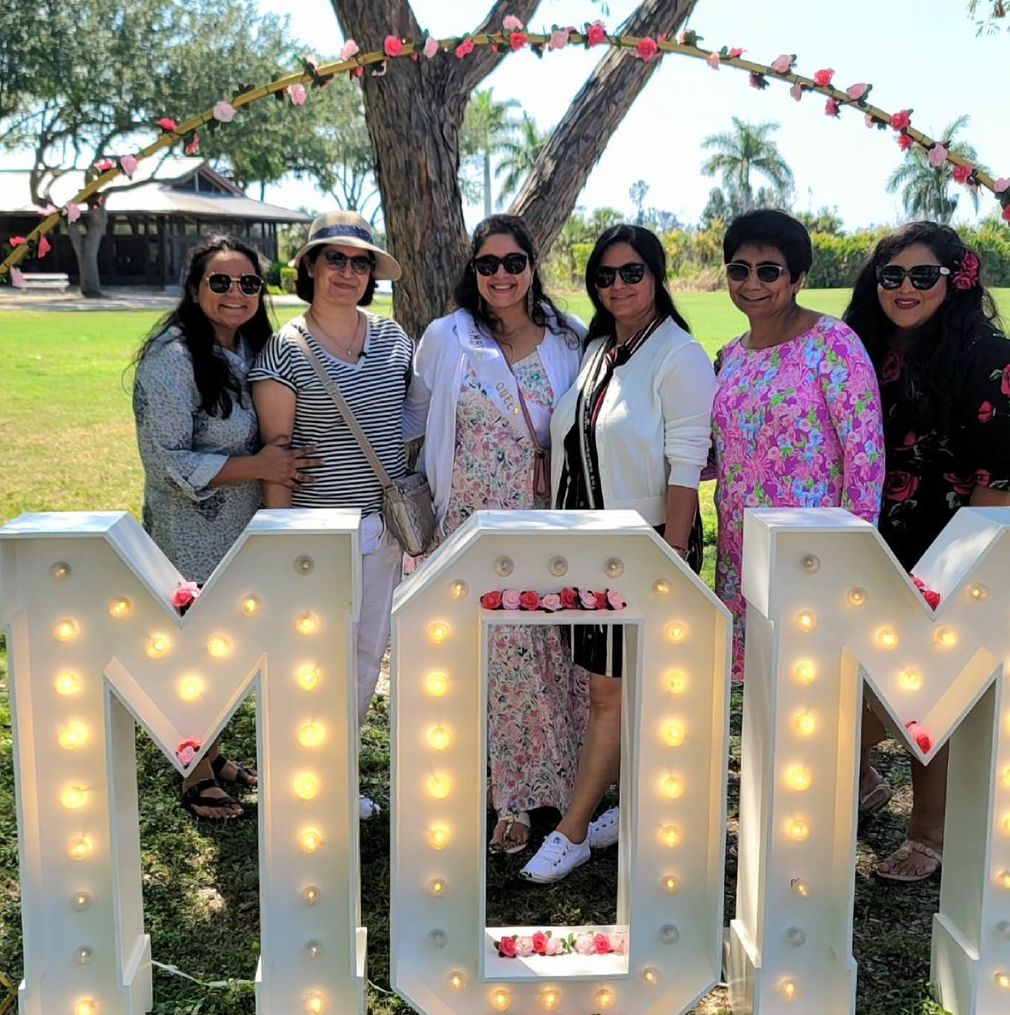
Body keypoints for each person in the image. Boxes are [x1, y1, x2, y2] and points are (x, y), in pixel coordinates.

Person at [520, 225, 715, 884]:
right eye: (604, 276)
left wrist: (670, 565)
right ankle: (636, 807)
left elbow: (686, 467)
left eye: (632, 273)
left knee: (609, 691)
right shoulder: (601, 346)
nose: (618, 286)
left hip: (643, 552)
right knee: (619, 688)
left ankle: (573, 830)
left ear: (656, 276)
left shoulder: (679, 356)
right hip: (587, 548)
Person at [842, 221, 1010, 883]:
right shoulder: (866, 348)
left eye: (923, 276)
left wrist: (949, 578)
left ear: (958, 280)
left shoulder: (990, 356)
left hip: (956, 546)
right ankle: (865, 782)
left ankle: (929, 834)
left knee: (929, 691)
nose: (903, 288)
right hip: (878, 539)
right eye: (890, 275)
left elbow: (999, 482)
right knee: (862, 672)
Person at [410, 215, 587, 855]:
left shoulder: (569, 338)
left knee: (557, 657)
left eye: (514, 262)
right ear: (473, 272)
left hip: (550, 520)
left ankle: (569, 786)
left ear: (532, 266)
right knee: (499, 661)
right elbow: (415, 418)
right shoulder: (447, 336)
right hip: (473, 525)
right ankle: (510, 798)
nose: (502, 275)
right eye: (488, 264)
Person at [133, 235, 317, 820]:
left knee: (232, 645)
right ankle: (194, 771)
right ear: (194, 289)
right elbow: (164, 462)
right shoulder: (172, 358)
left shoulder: (250, 347)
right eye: (220, 282)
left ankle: (213, 752)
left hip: (243, 525)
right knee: (198, 650)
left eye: (248, 283)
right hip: (191, 528)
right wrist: (260, 467)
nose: (235, 294)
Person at [251, 212, 416, 819]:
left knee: (366, 658)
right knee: (312, 663)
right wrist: (282, 551)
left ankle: (335, 779)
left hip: (383, 534)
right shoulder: (285, 350)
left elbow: (410, 423)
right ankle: (300, 785)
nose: (348, 271)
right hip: (315, 539)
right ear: (311, 267)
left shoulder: (395, 340)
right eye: (335, 259)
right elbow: (277, 461)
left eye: (361, 261)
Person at [711, 208, 885, 679]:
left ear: (798, 278)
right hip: (740, 549)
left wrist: (852, 555)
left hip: (812, 552)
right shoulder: (730, 355)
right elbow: (718, 451)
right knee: (763, 689)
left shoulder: (834, 344)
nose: (752, 283)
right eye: (739, 270)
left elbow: (865, 460)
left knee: (810, 686)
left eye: (769, 271)